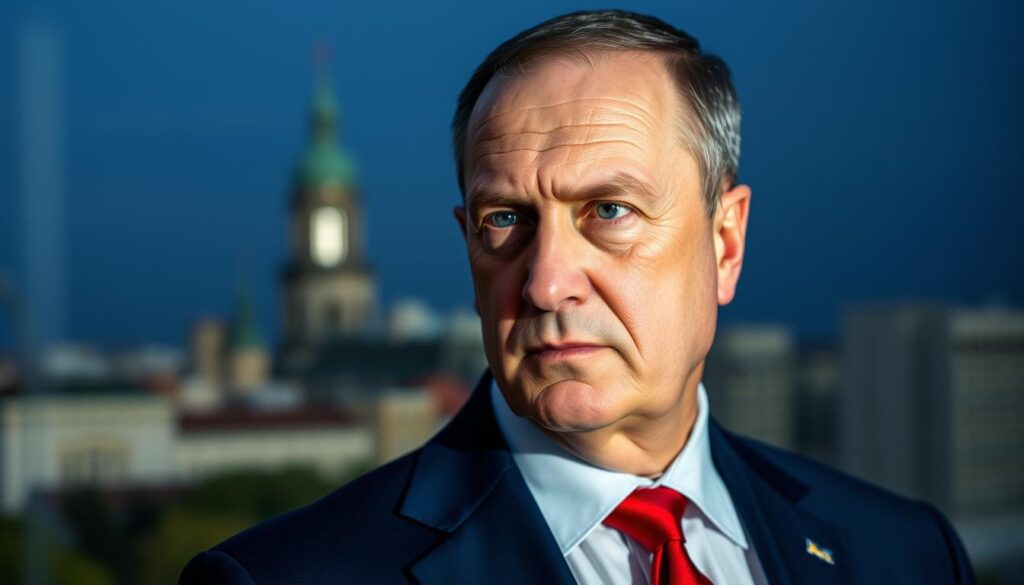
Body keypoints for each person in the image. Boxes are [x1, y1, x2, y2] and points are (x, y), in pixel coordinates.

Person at [180, 10, 975, 584]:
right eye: (505, 220)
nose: (546, 279)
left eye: (609, 211)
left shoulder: (903, 551)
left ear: (725, 242)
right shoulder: (283, 576)